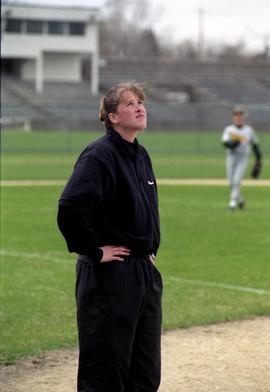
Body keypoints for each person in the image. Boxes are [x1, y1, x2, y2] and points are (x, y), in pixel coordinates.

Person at [57, 82, 163, 392]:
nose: (139, 107)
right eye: (130, 103)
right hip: (110, 277)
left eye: (141, 101)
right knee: (105, 371)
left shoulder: (141, 155)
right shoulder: (99, 155)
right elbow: (71, 207)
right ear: (113, 117)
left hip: (143, 274)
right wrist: (93, 250)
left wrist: (147, 250)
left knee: (144, 371)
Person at [221, 105, 262, 210]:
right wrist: (236, 141)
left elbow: (255, 145)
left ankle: (232, 203)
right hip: (231, 157)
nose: (238, 117)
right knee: (231, 183)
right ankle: (241, 200)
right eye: (236, 115)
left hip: (242, 158)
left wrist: (258, 160)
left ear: (243, 117)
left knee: (237, 180)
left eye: (240, 115)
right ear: (233, 117)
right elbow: (225, 143)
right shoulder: (229, 129)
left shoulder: (248, 130)